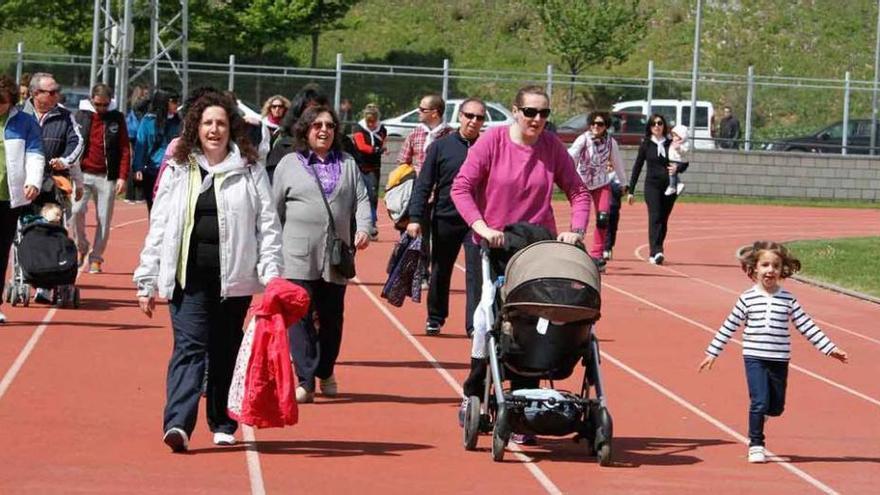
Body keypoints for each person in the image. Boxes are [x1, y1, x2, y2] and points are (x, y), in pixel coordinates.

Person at [133, 92, 282, 453]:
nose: (214, 130)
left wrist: (272, 274)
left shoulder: (250, 169)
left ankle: (223, 419)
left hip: (234, 278)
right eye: (207, 123)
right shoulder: (178, 168)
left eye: (220, 123)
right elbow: (161, 224)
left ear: (231, 128)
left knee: (224, 349)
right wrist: (146, 278)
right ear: (195, 128)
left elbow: (267, 224)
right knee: (189, 347)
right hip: (188, 277)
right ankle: (178, 423)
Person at [451, 85, 590, 445]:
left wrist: (575, 231)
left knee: (535, 320)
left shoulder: (552, 148)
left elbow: (578, 191)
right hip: (496, 245)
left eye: (544, 114)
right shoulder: (493, 142)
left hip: (539, 248)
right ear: (515, 111)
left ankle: (524, 404)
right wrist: (481, 226)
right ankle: (475, 388)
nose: (538, 120)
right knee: (487, 319)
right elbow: (462, 187)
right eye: (530, 112)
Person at [698, 240, 848, 464]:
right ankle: (756, 443)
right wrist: (713, 352)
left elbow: (807, 326)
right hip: (754, 357)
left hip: (779, 359)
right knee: (759, 401)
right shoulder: (747, 299)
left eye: (775, 266)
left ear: (782, 270)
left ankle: (762, 416)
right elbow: (729, 326)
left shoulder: (788, 300)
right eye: (765, 265)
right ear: (755, 268)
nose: (770, 270)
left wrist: (829, 348)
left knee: (776, 407)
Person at [272, 105, 371, 404]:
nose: (324, 130)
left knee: (332, 319)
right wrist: (270, 249)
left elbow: (362, 200)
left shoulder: (348, 164)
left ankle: (325, 369)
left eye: (329, 125)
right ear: (305, 130)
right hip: (296, 255)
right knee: (299, 317)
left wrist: (364, 227)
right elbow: (274, 210)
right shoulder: (289, 164)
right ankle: (305, 379)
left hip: (335, 257)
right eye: (317, 125)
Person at [407, 98, 486, 337]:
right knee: (440, 269)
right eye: (469, 115)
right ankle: (435, 317)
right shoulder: (440, 147)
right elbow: (424, 184)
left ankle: (474, 324)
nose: (473, 121)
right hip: (445, 217)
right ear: (460, 116)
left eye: (479, 117)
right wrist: (415, 217)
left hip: (478, 221)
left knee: (477, 273)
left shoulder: (488, 147)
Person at [22, 73, 84, 304]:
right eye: (51, 91)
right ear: (35, 94)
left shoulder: (65, 116)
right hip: (22, 183)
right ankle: (24, 273)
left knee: (51, 228)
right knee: (22, 229)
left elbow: (77, 142)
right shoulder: (19, 114)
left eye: (57, 90)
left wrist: (65, 161)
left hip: (53, 184)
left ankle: (47, 283)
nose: (57, 94)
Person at [72, 83, 131, 274]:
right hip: (82, 173)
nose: (102, 109)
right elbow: (72, 143)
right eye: (98, 105)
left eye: (105, 105)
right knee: (75, 212)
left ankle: (96, 257)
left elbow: (124, 148)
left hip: (107, 177)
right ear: (91, 100)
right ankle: (82, 247)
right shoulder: (80, 115)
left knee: (104, 219)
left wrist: (122, 176)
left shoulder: (117, 118)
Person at [398, 94, 454, 289]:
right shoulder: (415, 134)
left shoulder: (450, 135)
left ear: (435, 113)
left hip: (443, 195)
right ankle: (421, 273)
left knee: (441, 238)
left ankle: (438, 274)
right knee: (420, 236)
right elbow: (403, 161)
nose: (418, 113)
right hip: (420, 195)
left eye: (422, 109)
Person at [0, 74, 43, 323]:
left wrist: (33, 181)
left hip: (9, 196)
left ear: (12, 100)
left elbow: (35, 153)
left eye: (3, 102)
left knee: (1, 251)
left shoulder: (25, 122)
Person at [567, 110, 627, 272]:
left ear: (606, 126)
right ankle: (574, 250)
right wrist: (563, 170)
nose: (595, 127)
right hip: (582, 184)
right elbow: (571, 154)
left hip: (601, 183)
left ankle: (597, 255)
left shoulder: (610, 143)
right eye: (593, 123)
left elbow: (617, 162)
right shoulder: (583, 139)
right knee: (580, 219)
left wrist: (624, 183)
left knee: (603, 218)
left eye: (599, 124)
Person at [627, 114, 678, 265]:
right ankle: (655, 251)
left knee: (663, 219)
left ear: (664, 126)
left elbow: (683, 162)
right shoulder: (646, 144)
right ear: (650, 127)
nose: (657, 126)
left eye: (660, 123)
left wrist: (678, 167)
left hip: (669, 187)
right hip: (652, 186)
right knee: (654, 217)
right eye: (653, 124)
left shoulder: (671, 144)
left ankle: (658, 248)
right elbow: (637, 167)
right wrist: (631, 190)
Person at [265, 85, 330, 182]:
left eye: (319, 109)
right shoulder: (284, 146)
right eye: (309, 110)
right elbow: (273, 183)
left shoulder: (341, 146)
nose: (314, 115)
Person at [133, 88, 181, 213]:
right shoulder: (148, 122)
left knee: (172, 210)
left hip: (175, 171)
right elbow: (141, 145)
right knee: (154, 209)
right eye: (174, 101)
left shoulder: (179, 122)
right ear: (164, 102)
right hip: (153, 171)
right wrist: (138, 167)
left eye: (178, 101)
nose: (177, 104)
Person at [351, 103, 387, 240]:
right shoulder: (358, 128)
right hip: (359, 166)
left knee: (372, 196)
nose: (371, 124)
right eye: (369, 121)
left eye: (373, 121)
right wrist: (375, 150)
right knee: (359, 195)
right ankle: (359, 224)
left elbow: (383, 142)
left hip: (374, 167)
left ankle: (371, 224)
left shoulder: (382, 129)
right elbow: (361, 146)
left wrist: (382, 148)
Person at [258, 94, 290, 162]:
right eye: (274, 106)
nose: (277, 109)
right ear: (270, 108)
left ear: (285, 108)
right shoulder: (263, 125)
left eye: (280, 106)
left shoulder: (288, 127)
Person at [664, 124, 690, 196]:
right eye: (673, 136)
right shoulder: (673, 142)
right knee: (672, 173)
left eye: (676, 136)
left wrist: (678, 148)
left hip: (678, 161)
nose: (674, 138)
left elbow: (685, 151)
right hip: (672, 160)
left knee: (672, 173)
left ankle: (672, 186)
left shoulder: (685, 143)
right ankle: (678, 184)